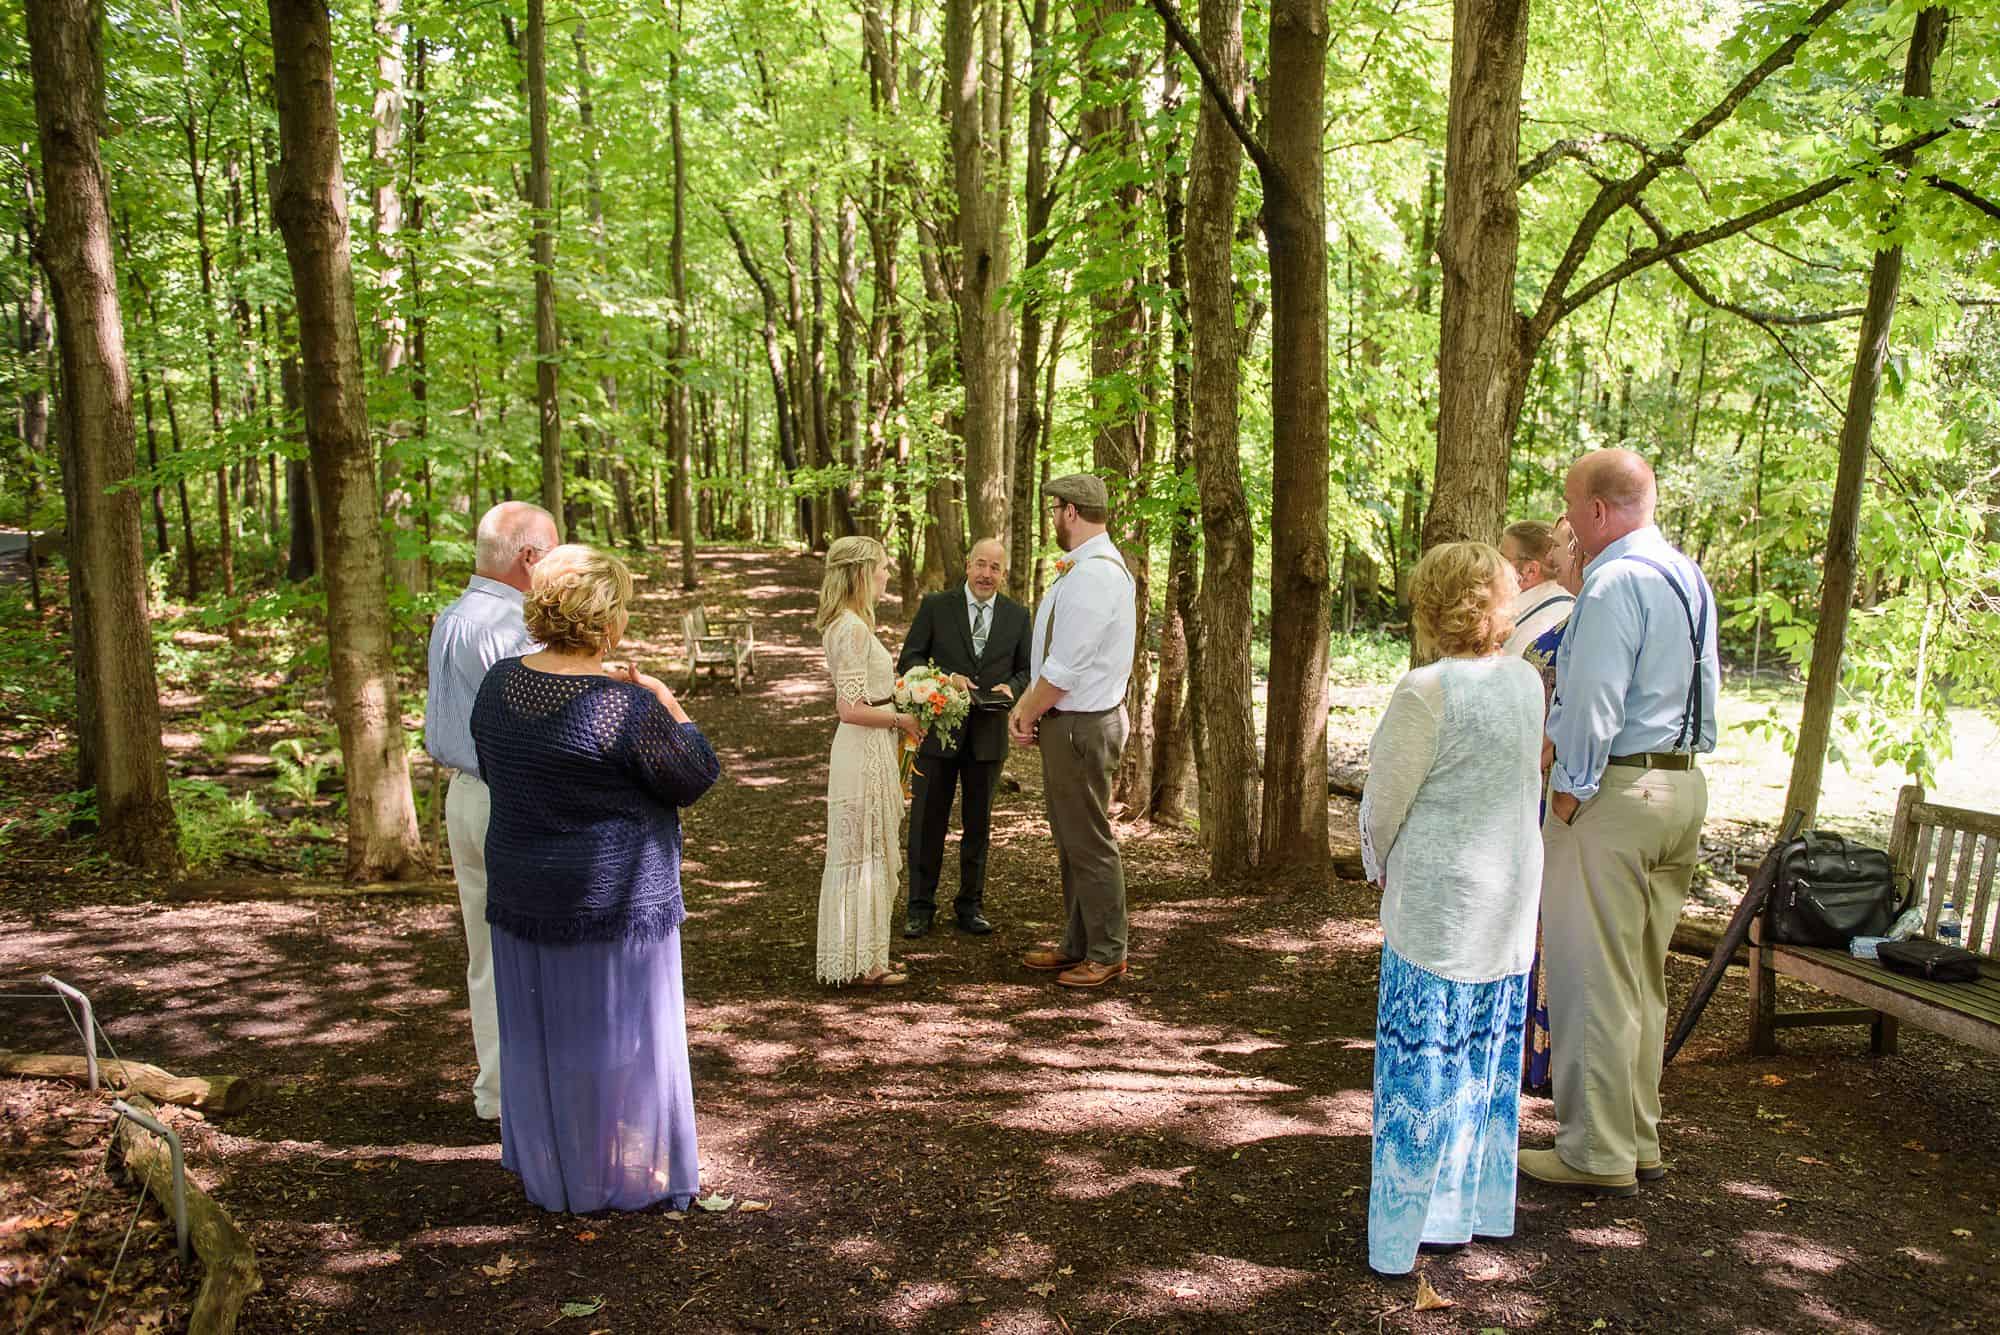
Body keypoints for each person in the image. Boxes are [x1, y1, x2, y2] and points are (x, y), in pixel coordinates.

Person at [469, 545, 720, 1213]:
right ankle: (613, 1174)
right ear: (606, 621)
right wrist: (668, 700)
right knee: (615, 1042)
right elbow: (694, 773)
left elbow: (496, 765)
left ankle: (558, 1164)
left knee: (544, 1036)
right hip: (611, 902)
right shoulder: (623, 706)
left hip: (526, 892)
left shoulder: (498, 684)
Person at [1521, 448, 1720, 1197]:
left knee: (1589, 976)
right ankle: (1638, 1134)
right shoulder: (1685, 574)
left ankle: (1595, 1149)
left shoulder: (1612, 582)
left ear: (1598, 511)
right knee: (1641, 977)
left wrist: (1568, 792)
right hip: (1681, 788)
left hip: (1616, 794)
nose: (1566, 524)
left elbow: (1594, 700)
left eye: (1571, 508)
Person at [1359, 541, 1545, 1276]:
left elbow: (1383, 804)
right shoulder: (1527, 683)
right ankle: (1469, 1209)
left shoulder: (1425, 691)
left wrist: (1376, 862)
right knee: (1480, 1062)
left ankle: (1405, 1230)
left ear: (1429, 607)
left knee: (1423, 1069)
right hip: (1506, 898)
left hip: (1444, 901)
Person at [424, 500, 559, 1122]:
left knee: (486, 951)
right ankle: (533, 1091)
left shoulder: (453, 615)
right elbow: (538, 724)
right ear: (529, 558)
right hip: (511, 796)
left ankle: (499, 1091)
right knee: (535, 944)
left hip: (465, 795)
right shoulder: (510, 628)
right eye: (554, 552)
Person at [1008, 475, 1137, 989]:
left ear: (1070, 512)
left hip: (1081, 724)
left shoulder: (1095, 576)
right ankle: (1078, 941)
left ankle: (1108, 950)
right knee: (1070, 837)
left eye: (1055, 509)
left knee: (1087, 839)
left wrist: (1026, 710)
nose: (1053, 518)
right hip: (1071, 721)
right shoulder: (1086, 569)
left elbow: (1066, 667)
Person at [897, 537, 1032, 938]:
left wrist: (1015, 688)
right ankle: (920, 907)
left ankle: (970, 906)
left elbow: (1026, 670)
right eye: (980, 564)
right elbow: (910, 659)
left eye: (994, 568)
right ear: (967, 565)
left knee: (978, 824)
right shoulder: (936, 606)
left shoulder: (1018, 616)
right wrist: (942, 680)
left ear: (1003, 574)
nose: (986, 574)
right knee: (926, 822)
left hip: (988, 737)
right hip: (938, 732)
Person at [816, 536, 922, 987]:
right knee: (863, 851)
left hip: (869, 746)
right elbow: (850, 707)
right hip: (862, 746)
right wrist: (901, 718)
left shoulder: (852, 623)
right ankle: (861, 962)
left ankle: (866, 956)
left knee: (871, 849)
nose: (886, 576)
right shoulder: (851, 628)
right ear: (861, 573)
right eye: (881, 568)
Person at [1517, 518, 1584, 1096]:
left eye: (1567, 541)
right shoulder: (1564, 617)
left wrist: (1552, 760)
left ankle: (1552, 1056)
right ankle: (1528, 1051)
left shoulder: (1588, 620)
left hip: (1563, 783)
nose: (1560, 551)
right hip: (1537, 780)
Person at [1500, 519, 1574, 658]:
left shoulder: (1545, 620)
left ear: (1531, 571)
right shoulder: (1528, 606)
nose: (1494, 566)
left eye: (1502, 559)